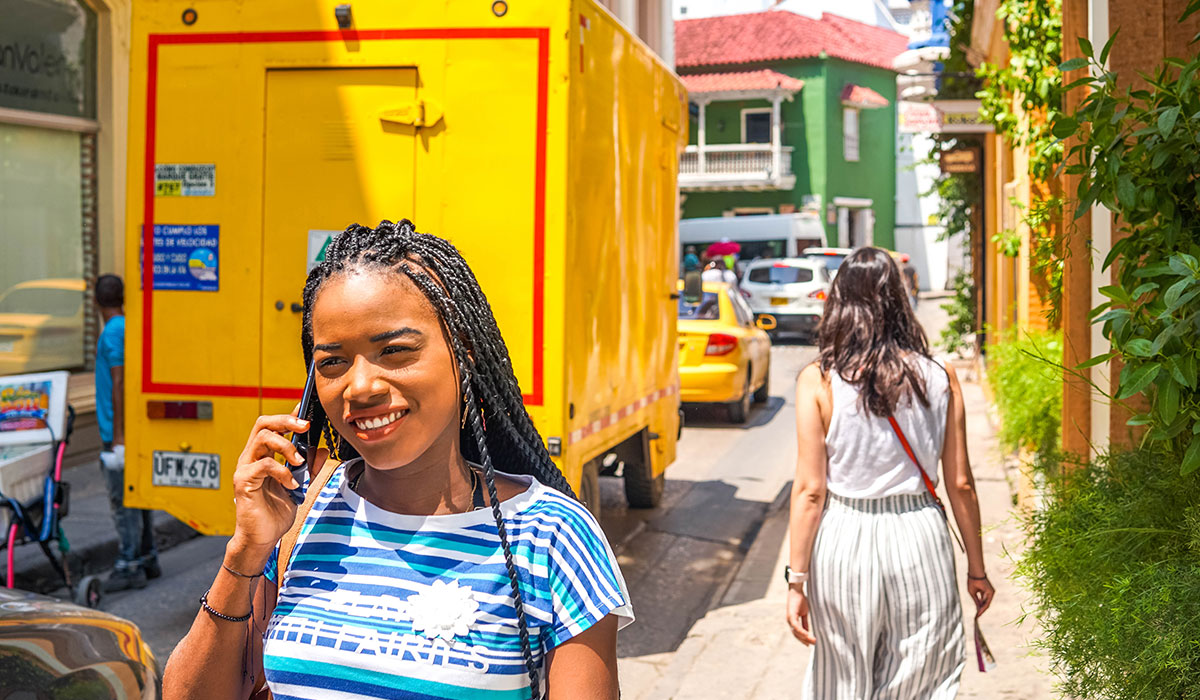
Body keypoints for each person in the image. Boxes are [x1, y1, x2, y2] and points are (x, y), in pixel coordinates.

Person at [164, 220, 632, 699]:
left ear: (464, 354)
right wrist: (245, 551)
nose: (361, 386)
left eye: (394, 351)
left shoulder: (550, 536)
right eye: (332, 362)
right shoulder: (300, 517)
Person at [786, 247, 993, 698]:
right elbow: (960, 484)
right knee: (922, 677)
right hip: (919, 535)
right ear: (899, 299)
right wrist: (976, 570)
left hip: (843, 537)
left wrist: (795, 581)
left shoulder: (818, 380)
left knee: (842, 680)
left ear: (839, 301)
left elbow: (809, 492)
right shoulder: (940, 375)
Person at [95, 274, 160, 592]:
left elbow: (118, 381)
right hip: (131, 429)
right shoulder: (128, 325)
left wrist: (117, 435)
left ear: (96, 302)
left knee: (123, 504)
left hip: (116, 431)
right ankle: (148, 557)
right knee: (139, 497)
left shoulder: (111, 332)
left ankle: (129, 563)